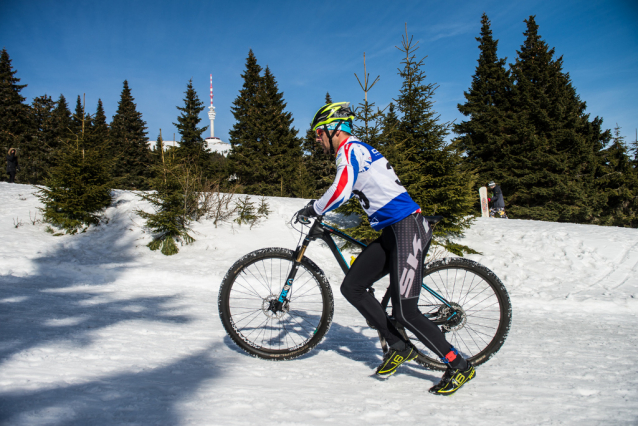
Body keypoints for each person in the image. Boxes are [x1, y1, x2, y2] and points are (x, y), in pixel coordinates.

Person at [296, 102, 475, 395]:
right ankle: (398, 345)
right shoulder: (354, 151)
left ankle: (459, 365)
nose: (316, 139)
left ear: (334, 129)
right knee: (352, 287)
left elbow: (340, 190)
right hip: (392, 231)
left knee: (406, 312)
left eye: (319, 133)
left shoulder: (351, 150)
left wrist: (313, 208)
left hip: (407, 228)